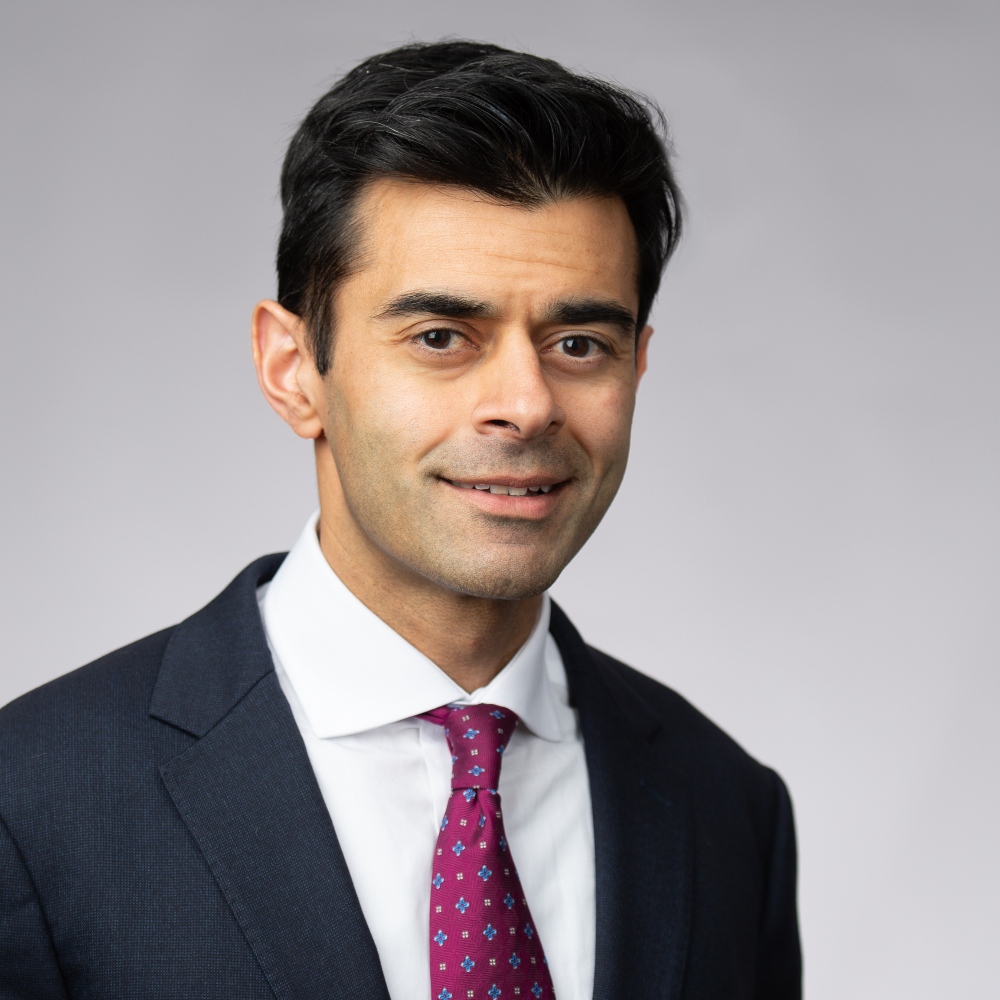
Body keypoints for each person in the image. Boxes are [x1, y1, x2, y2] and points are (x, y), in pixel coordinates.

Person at [0, 41, 801, 1000]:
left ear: (637, 366)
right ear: (293, 370)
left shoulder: (729, 810)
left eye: (580, 343)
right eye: (441, 337)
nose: (527, 405)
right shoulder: (32, 803)